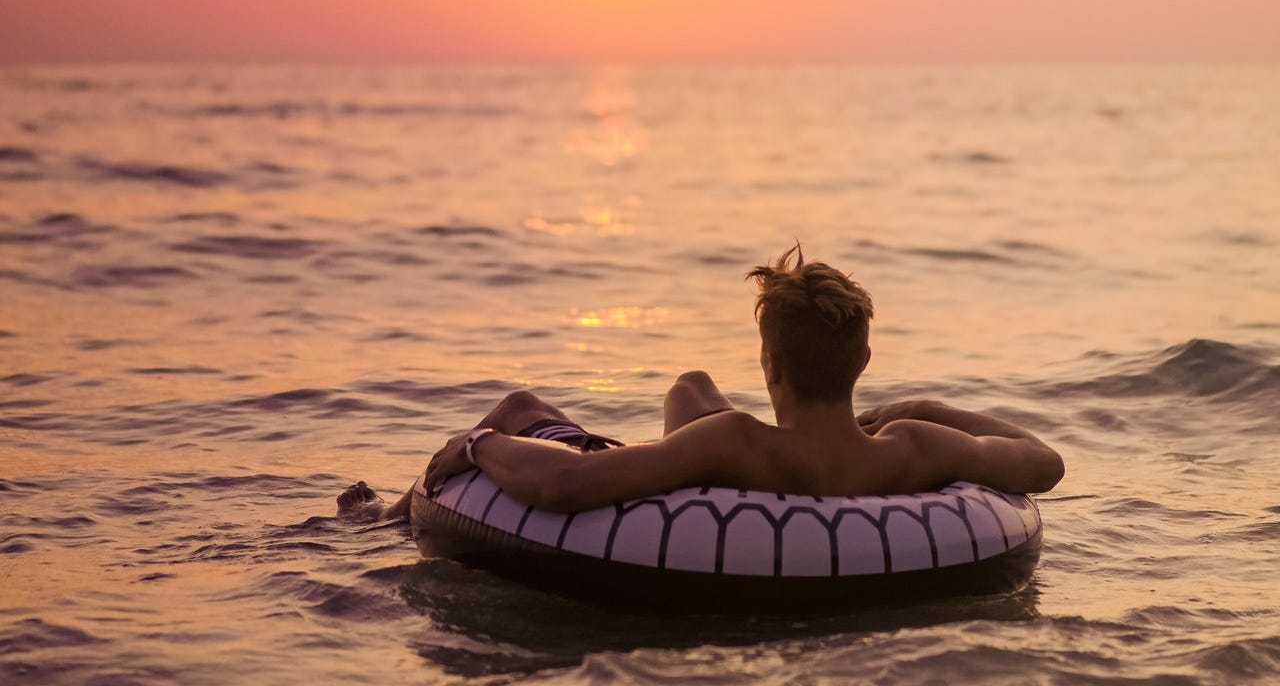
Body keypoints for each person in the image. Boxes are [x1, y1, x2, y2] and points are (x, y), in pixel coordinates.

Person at [338, 244, 1064, 521]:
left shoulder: (736, 443)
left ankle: (389, 517)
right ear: (863, 365)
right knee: (689, 386)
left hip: (722, 476)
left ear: (770, 365)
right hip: (841, 450)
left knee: (524, 405)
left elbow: (562, 489)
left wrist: (477, 444)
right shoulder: (913, 446)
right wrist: (921, 406)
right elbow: (1043, 461)